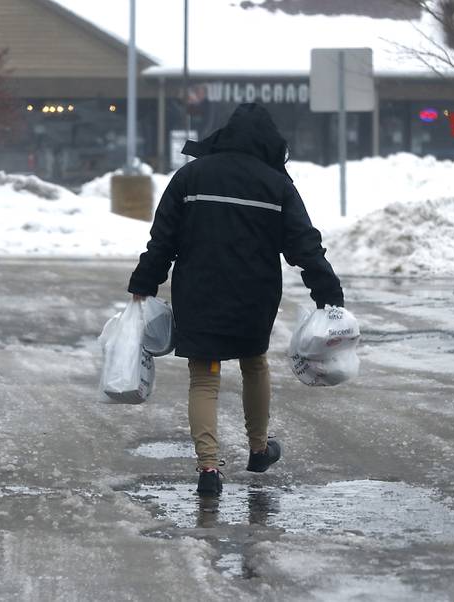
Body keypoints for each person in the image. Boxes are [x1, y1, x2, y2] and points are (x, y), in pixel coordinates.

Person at [127, 103, 344, 496]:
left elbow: (163, 241)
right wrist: (328, 292)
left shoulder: (190, 177)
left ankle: (209, 468)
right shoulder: (276, 185)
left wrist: (145, 282)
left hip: (199, 293)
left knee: (205, 376)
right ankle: (259, 450)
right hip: (254, 296)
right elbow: (304, 246)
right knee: (254, 364)